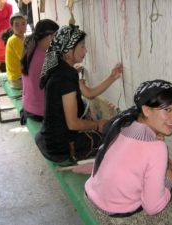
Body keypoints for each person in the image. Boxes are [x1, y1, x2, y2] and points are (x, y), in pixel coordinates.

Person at [84, 80, 172, 224]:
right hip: (115, 218)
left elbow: (131, 163)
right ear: (146, 110)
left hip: (91, 198)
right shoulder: (156, 149)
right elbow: (152, 207)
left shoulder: (123, 125)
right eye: (168, 110)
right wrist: (169, 180)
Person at [35, 24, 123, 165]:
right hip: (60, 148)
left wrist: (112, 77)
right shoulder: (66, 76)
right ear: (68, 50)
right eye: (82, 46)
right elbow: (73, 124)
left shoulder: (58, 66)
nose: (86, 50)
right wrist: (97, 124)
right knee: (115, 139)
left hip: (47, 139)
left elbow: (89, 93)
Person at [20, 19, 59, 123]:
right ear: (50, 37)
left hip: (27, 107)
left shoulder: (30, 50)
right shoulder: (48, 57)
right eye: (57, 37)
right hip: (40, 112)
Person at [5, 12, 27, 89]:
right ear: (12, 26)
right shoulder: (14, 40)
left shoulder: (23, 38)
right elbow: (25, 59)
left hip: (16, 77)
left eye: (23, 24)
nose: (21, 27)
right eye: (16, 25)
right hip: (17, 80)